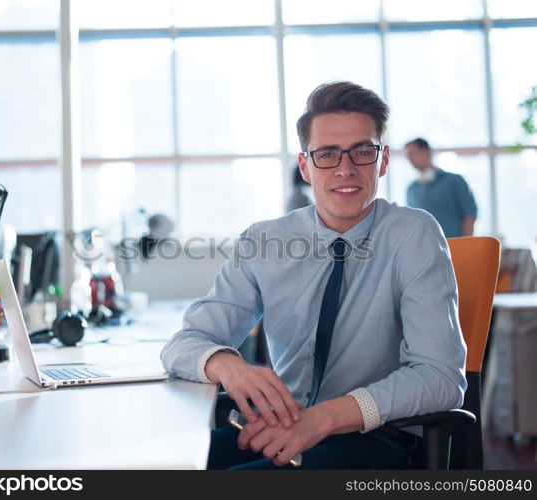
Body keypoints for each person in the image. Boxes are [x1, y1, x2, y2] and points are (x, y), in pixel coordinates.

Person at [160, 81, 467, 469]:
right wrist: (227, 365)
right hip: (277, 425)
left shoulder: (414, 234)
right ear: (305, 165)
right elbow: (183, 344)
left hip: (373, 437)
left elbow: (440, 377)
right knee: (159, 465)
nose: (345, 169)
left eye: (362, 151)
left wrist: (321, 419)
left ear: (384, 160)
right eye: (326, 154)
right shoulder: (264, 240)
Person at [404, 138, 477, 238]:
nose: (409, 159)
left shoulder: (455, 181)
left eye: (412, 153)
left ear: (426, 152)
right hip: (424, 249)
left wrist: (464, 246)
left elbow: (469, 215)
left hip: (454, 247)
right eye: (407, 156)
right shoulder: (412, 189)